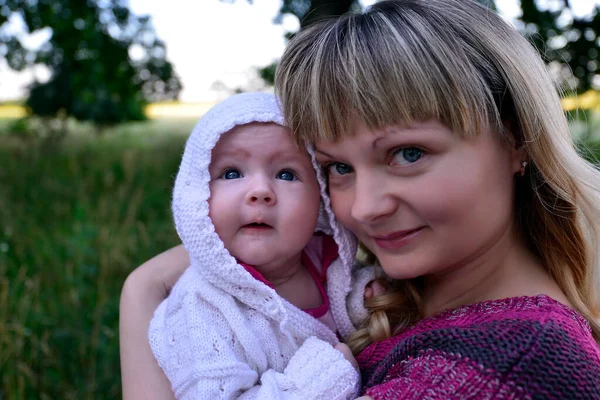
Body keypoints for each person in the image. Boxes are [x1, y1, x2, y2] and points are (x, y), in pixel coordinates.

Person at [121, 0, 600, 398]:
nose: (365, 208)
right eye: (338, 168)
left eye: (407, 153)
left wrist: (142, 293)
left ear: (516, 137)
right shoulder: (377, 288)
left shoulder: (512, 363)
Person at [139, 92, 379, 400]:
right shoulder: (201, 310)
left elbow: (340, 302)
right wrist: (321, 379)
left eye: (286, 174)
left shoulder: (324, 263)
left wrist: (364, 298)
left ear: (320, 201)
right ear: (196, 197)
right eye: (232, 173)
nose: (260, 191)